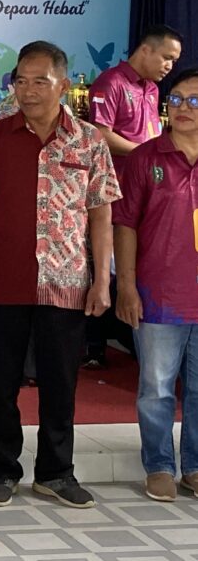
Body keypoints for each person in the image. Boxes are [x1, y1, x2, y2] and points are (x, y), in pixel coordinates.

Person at [0, 40, 120, 510]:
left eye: (40, 81)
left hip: (68, 281)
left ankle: (56, 472)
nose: (28, 91)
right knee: (0, 381)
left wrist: (102, 280)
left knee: (60, 382)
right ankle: (2, 470)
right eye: (20, 81)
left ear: (64, 86)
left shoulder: (89, 141)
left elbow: (102, 216)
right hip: (2, 281)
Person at [113, 67, 198, 501]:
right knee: (157, 388)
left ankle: (195, 466)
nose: (183, 108)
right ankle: (160, 464)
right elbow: (124, 224)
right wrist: (125, 285)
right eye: (177, 99)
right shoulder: (148, 157)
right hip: (159, 295)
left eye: (195, 101)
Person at [84, 24, 183, 369]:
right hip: (115, 190)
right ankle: (94, 343)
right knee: (107, 266)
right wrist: (145, 153)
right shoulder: (111, 83)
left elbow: (153, 132)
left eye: (174, 60)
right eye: (167, 57)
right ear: (146, 51)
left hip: (149, 190)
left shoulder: (153, 90)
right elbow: (98, 134)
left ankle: (129, 335)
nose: (170, 65)